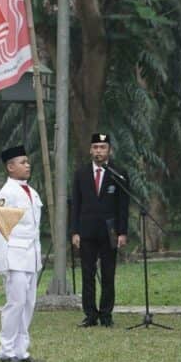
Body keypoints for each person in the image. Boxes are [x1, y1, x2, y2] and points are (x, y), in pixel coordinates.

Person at [0, 145, 42, 362]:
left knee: (28, 303)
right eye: (22, 162)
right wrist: (2, 262)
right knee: (15, 303)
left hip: (31, 256)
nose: (27, 165)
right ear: (10, 167)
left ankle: (22, 350)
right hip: (14, 256)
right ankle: (7, 350)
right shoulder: (6, 194)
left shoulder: (31, 191)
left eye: (28, 162)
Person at [71, 133, 129, 328]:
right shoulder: (81, 173)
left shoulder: (118, 173)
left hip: (109, 232)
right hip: (86, 231)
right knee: (87, 274)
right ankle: (90, 315)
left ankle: (106, 314)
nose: (98, 151)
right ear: (90, 150)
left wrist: (122, 232)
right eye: (95, 147)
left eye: (102, 147)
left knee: (108, 274)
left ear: (109, 150)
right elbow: (76, 205)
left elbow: (123, 206)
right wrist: (75, 232)